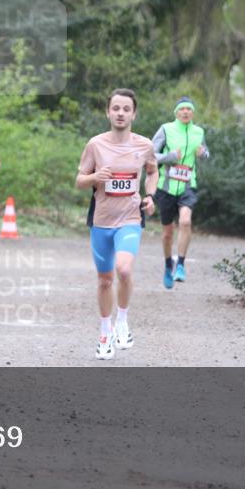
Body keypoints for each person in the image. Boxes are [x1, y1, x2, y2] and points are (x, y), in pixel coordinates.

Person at [76, 89, 158, 360]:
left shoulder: (144, 145)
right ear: (108, 112)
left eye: (126, 109)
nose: (120, 113)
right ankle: (104, 332)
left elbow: (153, 170)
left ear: (134, 114)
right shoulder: (95, 145)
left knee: (123, 269)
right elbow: (79, 180)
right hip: (101, 220)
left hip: (130, 219)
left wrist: (150, 196)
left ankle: (122, 319)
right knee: (104, 279)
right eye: (116, 108)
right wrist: (95, 177)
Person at [152, 96, 209, 289]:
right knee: (168, 232)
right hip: (165, 187)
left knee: (185, 221)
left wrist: (203, 154)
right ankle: (168, 265)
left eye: (189, 109)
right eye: (182, 109)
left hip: (187, 185)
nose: (186, 112)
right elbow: (150, 155)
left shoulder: (198, 132)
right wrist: (169, 157)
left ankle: (181, 265)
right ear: (176, 112)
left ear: (193, 113)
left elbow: (205, 152)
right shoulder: (166, 129)